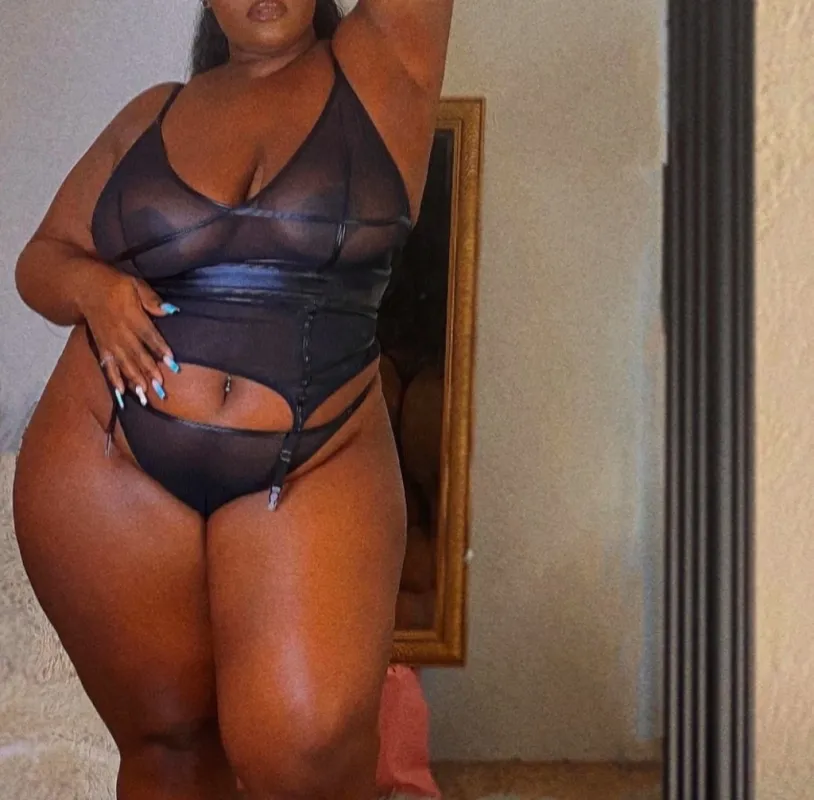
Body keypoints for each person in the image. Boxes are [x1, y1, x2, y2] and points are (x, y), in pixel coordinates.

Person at [12, 1, 454, 797]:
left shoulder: (381, 66)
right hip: (110, 459)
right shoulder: (153, 113)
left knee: (305, 755)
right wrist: (94, 290)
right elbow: (41, 260)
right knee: (169, 753)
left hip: (314, 456)